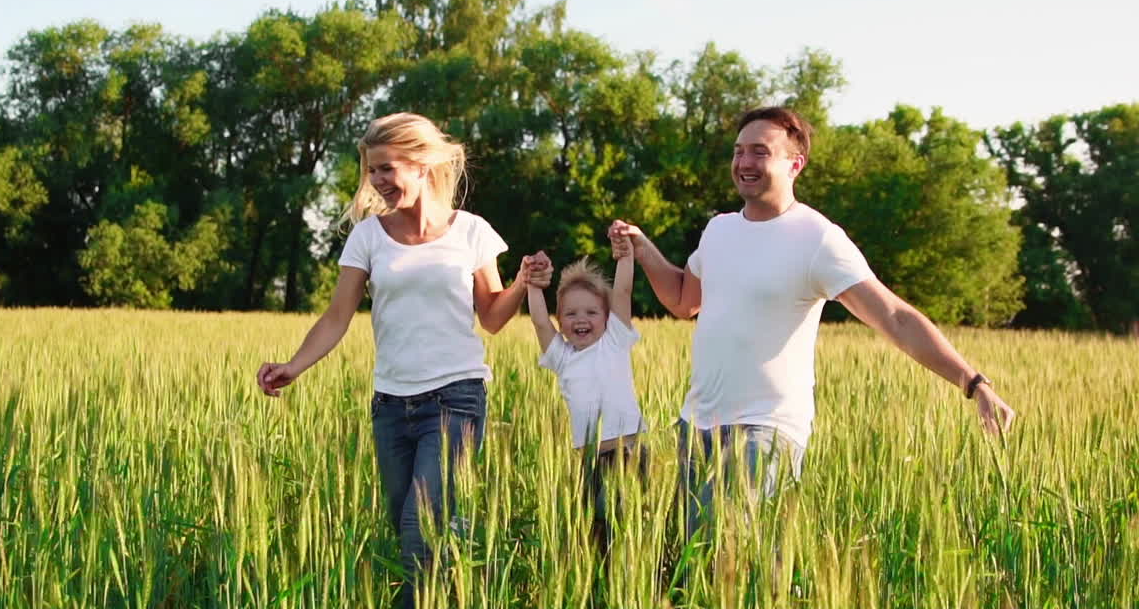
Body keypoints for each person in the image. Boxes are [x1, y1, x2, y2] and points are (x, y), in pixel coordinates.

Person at [608, 106, 1016, 537]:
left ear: (795, 164)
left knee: (726, 555)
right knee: (689, 563)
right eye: (739, 151)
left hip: (765, 432)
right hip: (696, 427)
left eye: (760, 152)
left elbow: (895, 317)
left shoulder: (817, 238)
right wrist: (642, 247)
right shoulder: (719, 230)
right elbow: (683, 301)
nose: (744, 162)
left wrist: (974, 383)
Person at [256, 112, 550, 608]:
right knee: (412, 535)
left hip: (456, 400)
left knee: (423, 527)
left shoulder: (471, 231)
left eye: (387, 168)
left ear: (421, 165)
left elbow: (493, 318)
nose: (377, 180)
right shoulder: (368, 236)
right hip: (391, 406)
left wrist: (522, 282)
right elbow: (336, 317)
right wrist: (294, 365)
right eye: (372, 170)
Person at [523, 238, 647, 552]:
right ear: (560, 321)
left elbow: (622, 292)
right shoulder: (562, 357)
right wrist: (533, 285)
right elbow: (539, 322)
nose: (581, 319)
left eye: (591, 312)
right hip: (589, 462)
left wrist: (625, 257)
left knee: (629, 533)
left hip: (628, 455)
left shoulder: (615, 341)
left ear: (607, 317)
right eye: (570, 313)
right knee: (593, 535)